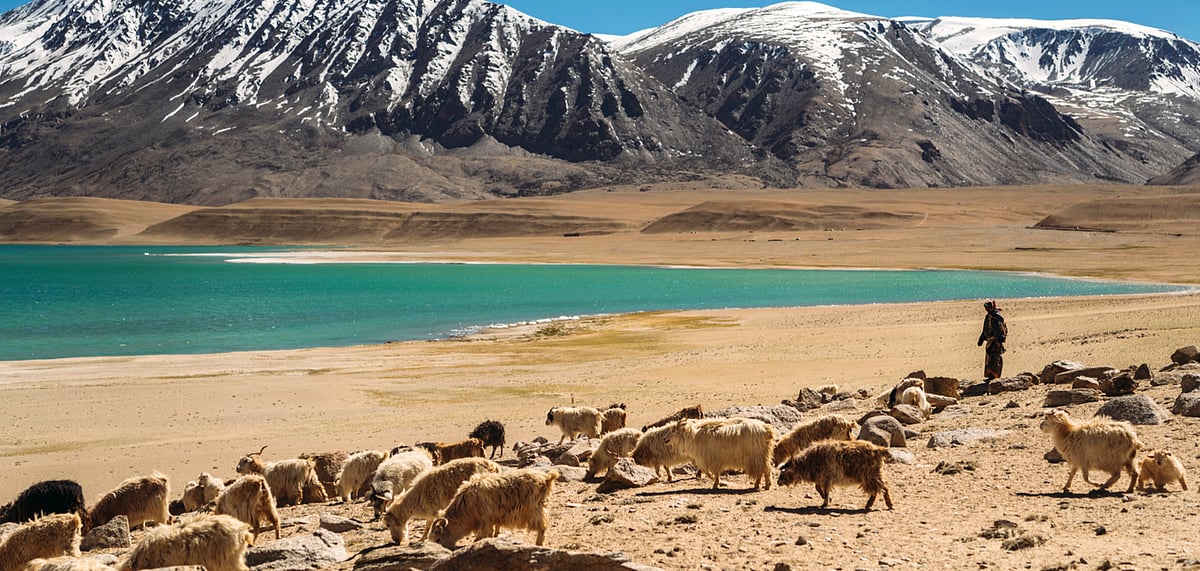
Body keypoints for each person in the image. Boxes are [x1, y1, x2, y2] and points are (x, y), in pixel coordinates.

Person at [977, 300, 1007, 380]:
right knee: (989, 358)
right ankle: (990, 375)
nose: (987, 309)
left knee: (995, 359)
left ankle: (994, 375)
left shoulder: (996, 316)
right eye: (986, 307)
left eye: (988, 307)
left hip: (995, 342)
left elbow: (999, 327)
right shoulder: (988, 316)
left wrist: (998, 341)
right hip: (989, 341)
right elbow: (985, 329)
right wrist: (981, 339)